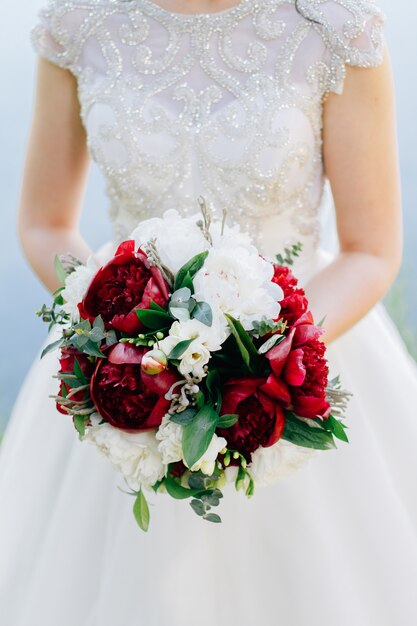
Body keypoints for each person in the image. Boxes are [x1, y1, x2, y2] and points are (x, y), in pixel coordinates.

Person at [1, 0, 416, 624]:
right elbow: (43, 223)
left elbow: (371, 250)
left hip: (297, 365)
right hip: (128, 370)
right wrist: (115, 335)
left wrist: (262, 358)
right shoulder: (78, 23)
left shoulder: (337, 26)